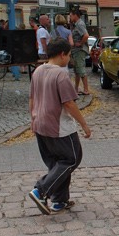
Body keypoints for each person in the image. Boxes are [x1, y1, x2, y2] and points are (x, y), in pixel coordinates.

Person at [28, 38, 91, 215]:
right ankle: (41, 190)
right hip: (59, 127)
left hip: (40, 123)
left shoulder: (38, 71)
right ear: (62, 54)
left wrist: (33, 119)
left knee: (57, 164)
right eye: (69, 55)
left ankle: (59, 200)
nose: (69, 59)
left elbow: (31, 98)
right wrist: (84, 125)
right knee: (71, 159)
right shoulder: (60, 75)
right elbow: (69, 104)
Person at [69, 10, 90, 95]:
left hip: (79, 51)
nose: (70, 18)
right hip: (76, 51)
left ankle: (86, 90)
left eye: (71, 16)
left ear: (75, 15)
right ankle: (76, 89)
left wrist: (80, 43)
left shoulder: (79, 24)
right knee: (77, 71)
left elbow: (86, 35)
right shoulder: (76, 24)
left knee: (81, 70)